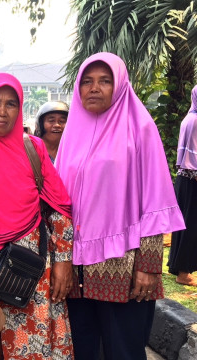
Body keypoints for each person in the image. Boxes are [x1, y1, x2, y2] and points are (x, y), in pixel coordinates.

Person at [55, 52, 186, 360]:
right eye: (87, 82)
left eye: (104, 81)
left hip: (125, 269)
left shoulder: (138, 129)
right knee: (81, 349)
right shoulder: (72, 132)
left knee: (123, 350)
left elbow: (156, 203)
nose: (94, 88)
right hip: (75, 271)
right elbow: (58, 203)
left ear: (120, 85)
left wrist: (149, 266)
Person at [0, 72, 75, 360]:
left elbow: (60, 208)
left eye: (11, 103)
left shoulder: (32, 149)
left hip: (30, 270)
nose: (2, 111)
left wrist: (63, 263)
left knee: (30, 349)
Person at [167, 84, 197, 287]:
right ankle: (184, 272)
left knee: (184, 224)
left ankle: (178, 266)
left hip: (185, 180)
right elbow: (193, 158)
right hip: (192, 178)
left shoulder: (190, 117)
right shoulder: (195, 120)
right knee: (191, 226)